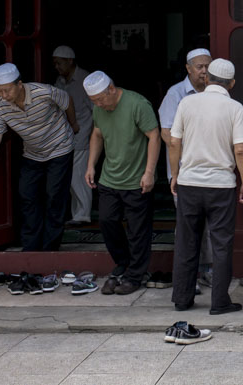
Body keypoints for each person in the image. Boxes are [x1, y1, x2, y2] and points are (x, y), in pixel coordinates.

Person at [168, 58, 243, 316]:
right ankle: (220, 302)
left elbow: (173, 142)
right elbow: (240, 148)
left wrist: (175, 174)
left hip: (189, 184)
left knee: (186, 242)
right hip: (220, 186)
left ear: (207, 78)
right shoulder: (234, 107)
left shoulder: (187, 102)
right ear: (232, 83)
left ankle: (182, 299)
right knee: (221, 245)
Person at [0, 63, 76, 251]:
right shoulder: (1, 107)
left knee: (54, 197)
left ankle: (50, 248)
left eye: (7, 90)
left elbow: (67, 100)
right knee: (27, 195)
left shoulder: (44, 92)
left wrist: (73, 125)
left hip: (60, 148)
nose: (3, 96)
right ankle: (30, 247)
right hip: (33, 154)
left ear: (19, 84)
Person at [84, 71, 160, 296]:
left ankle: (135, 275)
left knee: (138, 230)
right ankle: (123, 264)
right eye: (94, 102)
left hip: (136, 180)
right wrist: (91, 166)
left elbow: (154, 136)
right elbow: (97, 134)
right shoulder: (99, 107)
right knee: (107, 221)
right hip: (110, 177)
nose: (98, 105)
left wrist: (149, 172)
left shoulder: (137, 104)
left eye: (100, 99)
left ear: (111, 89)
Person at [159, 47, 214, 285]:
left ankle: (209, 270)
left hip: (211, 168)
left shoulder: (216, 92)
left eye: (208, 67)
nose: (204, 71)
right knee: (188, 227)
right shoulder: (175, 94)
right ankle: (189, 276)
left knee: (211, 225)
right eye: (200, 67)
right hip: (185, 170)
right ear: (188, 68)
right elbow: (167, 133)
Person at [53, 45, 94, 224]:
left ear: (70, 61)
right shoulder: (60, 82)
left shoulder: (85, 80)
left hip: (83, 134)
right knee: (72, 176)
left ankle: (83, 214)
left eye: (60, 63)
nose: (57, 67)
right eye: (55, 64)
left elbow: (96, 110)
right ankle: (78, 213)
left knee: (79, 175)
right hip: (65, 136)